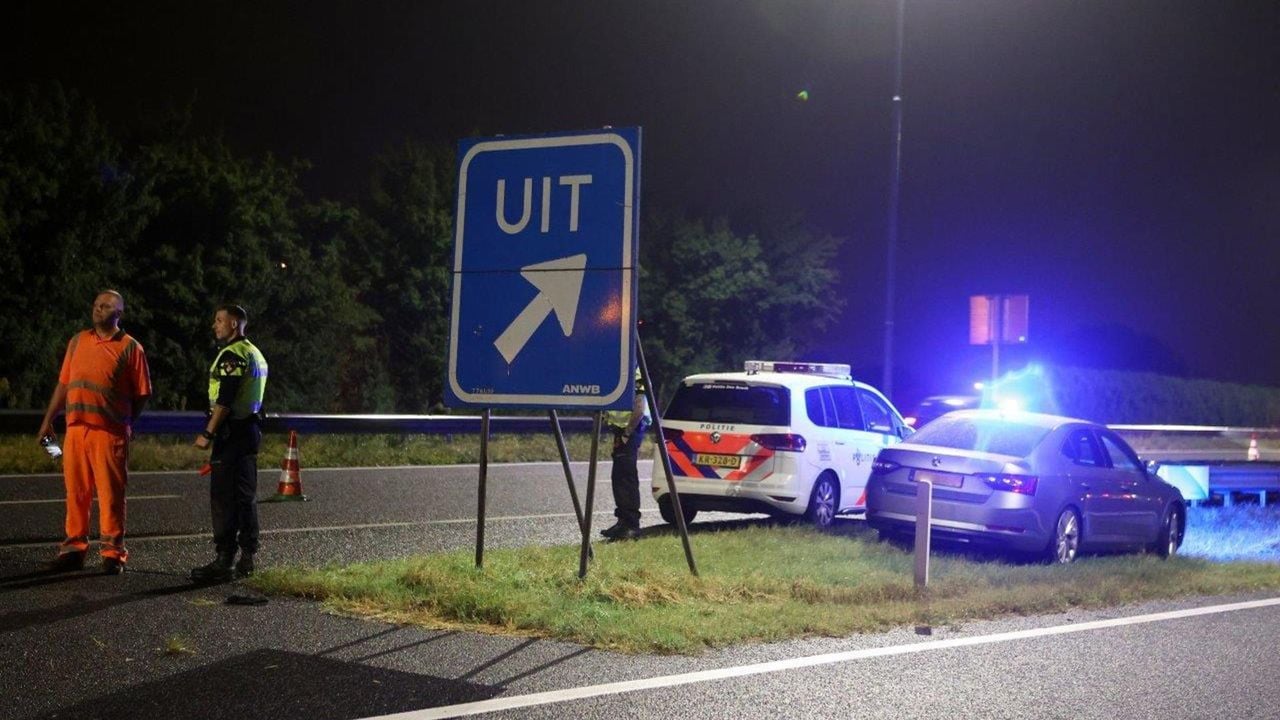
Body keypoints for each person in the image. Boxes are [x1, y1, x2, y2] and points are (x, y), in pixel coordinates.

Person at [38, 290, 152, 575]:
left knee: (111, 495)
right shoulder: (77, 341)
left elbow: (142, 393)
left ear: (119, 314)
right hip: (76, 430)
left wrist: (126, 422)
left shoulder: (131, 348)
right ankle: (73, 551)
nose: (98, 309)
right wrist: (47, 421)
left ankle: (113, 554)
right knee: (76, 493)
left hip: (109, 433)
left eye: (106, 306)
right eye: (97, 305)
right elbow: (64, 384)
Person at [190, 304, 269, 582]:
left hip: (231, 433)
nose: (215, 325)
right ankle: (247, 558)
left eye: (219, 320)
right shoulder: (255, 353)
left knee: (224, 497)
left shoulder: (232, 355)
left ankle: (224, 560)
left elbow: (225, 399)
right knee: (246, 495)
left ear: (234, 324)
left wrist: (208, 433)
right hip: (250, 429)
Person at [600, 368, 651, 541]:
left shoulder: (634, 373)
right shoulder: (620, 369)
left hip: (632, 429)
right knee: (619, 476)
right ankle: (622, 521)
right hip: (622, 430)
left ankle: (631, 526)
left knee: (626, 477)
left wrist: (627, 434)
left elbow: (639, 407)